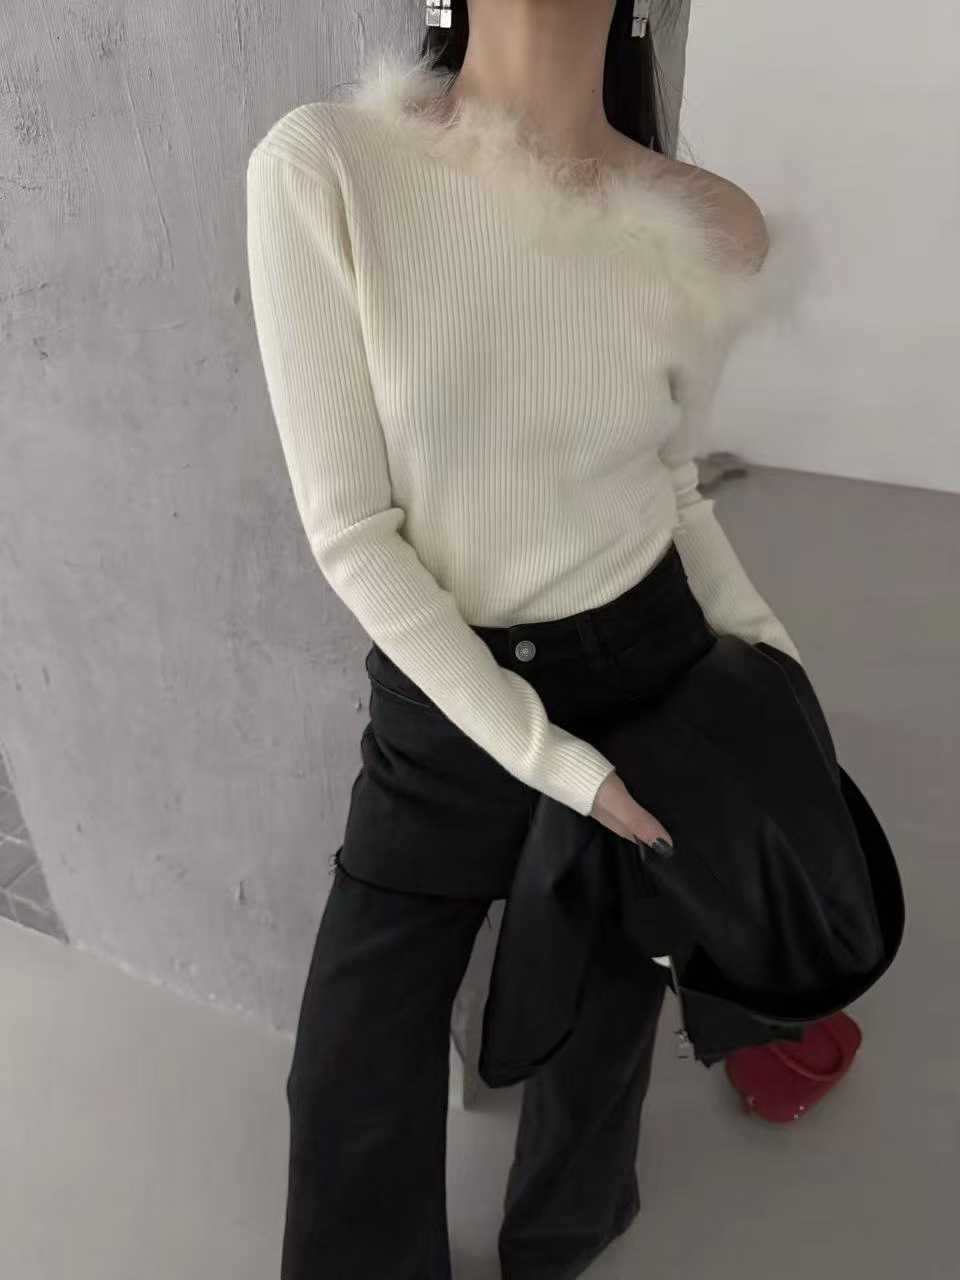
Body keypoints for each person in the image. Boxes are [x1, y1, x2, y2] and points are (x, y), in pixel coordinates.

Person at [245, 2, 804, 1276]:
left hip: (649, 667)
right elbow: (352, 532)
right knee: (354, 1054)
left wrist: (775, 674)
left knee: (606, 1007)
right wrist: (555, 763)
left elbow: (674, 488)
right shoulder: (327, 165)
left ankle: (563, 1236)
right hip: (448, 690)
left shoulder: (708, 219)